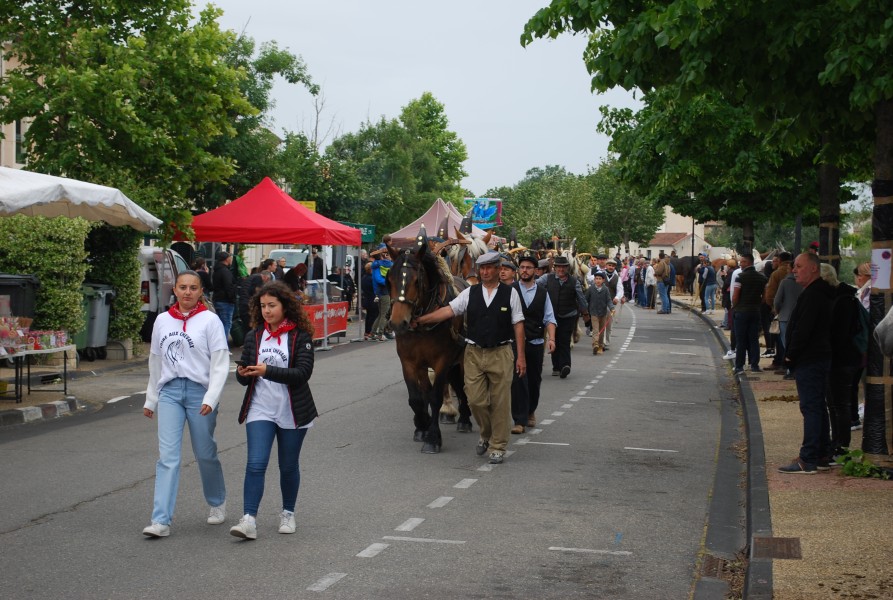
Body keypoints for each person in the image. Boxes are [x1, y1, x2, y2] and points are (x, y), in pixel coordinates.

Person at [413, 251, 526, 464]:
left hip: (501, 353)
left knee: (500, 402)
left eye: (488, 268)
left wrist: (521, 357)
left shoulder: (510, 294)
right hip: (474, 353)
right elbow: (448, 311)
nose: (484, 272)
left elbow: (518, 324)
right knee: (475, 400)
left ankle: (497, 446)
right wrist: (421, 320)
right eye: (481, 268)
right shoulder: (470, 293)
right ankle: (486, 433)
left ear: (498, 269)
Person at [142, 270, 229, 538]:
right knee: (168, 457)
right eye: (182, 287)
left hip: (199, 393)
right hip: (169, 391)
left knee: (205, 453)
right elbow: (155, 361)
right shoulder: (162, 321)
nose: (187, 292)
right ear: (175, 290)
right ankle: (161, 521)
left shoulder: (210, 321)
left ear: (201, 291)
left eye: (193, 288)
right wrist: (151, 398)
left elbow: (220, 362)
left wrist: (211, 398)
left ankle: (217, 502)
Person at [230, 281, 318, 540]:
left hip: (292, 410)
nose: (267, 311)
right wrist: (242, 372)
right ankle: (248, 519)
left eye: (272, 305)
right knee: (255, 464)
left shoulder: (300, 335)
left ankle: (288, 512)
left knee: (288, 466)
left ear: (285, 306)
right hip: (260, 408)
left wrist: (267, 370)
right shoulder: (254, 335)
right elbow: (245, 376)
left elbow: (302, 373)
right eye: (263, 306)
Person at [779, 252, 834, 474]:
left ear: (813, 268)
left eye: (799, 266)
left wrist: (791, 354)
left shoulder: (814, 295)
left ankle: (808, 457)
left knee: (811, 406)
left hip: (811, 358)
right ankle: (822, 452)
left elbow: (804, 328)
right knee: (818, 406)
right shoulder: (819, 292)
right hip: (817, 357)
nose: (794, 270)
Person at [821, 264, 865, 462]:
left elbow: (840, 334)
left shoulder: (841, 300)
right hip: (846, 357)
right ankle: (837, 442)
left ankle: (842, 446)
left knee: (840, 404)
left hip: (843, 359)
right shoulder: (845, 297)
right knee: (836, 403)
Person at [513, 251, 556, 431]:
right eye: (522, 267)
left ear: (536, 271)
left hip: (536, 342)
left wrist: (551, 338)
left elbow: (550, 318)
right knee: (518, 381)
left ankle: (531, 410)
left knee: (534, 380)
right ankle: (519, 420)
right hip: (515, 343)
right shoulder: (511, 290)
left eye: (528, 268)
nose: (524, 270)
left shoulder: (543, 293)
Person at [537, 255, 587, 378]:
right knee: (554, 340)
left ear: (567, 268)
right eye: (558, 267)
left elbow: (581, 298)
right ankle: (556, 367)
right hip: (551, 316)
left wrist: (585, 313)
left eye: (563, 267)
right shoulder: (546, 278)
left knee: (564, 340)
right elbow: (534, 287)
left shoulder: (574, 281)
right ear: (554, 268)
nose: (561, 270)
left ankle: (565, 365)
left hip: (568, 315)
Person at [731, 253, 767, 373]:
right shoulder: (762, 278)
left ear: (748, 263)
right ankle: (754, 364)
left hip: (741, 311)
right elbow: (765, 297)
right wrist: (757, 304)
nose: (740, 264)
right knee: (753, 339)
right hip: (755, 311)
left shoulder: (740, 277)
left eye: (743, 262)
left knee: (741, 340)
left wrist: (734, 306)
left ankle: (739, 366)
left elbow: (735, 296)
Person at [773, 265, 802, 379]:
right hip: (799, 316)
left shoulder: (784, 282)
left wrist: (779, 311)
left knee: (786, 344)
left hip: (785, 316)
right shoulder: (804, 282)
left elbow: (777, 301)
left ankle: (790, 369)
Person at [211, 251, 237, 342]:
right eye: (230, 257)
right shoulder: (225, 271)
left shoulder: (217, 270)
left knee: (220, 324)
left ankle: (218, 344)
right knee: (226, 324)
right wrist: (232, 299)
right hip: (226, 301)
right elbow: (228, 286)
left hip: (218, 299)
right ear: (227, 259)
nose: (231, 259)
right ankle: (224, 346)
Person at [370, 243, 393, 341]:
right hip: (384, 292)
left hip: (380, 293)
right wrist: (390, 282)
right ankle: (380, 334)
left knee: (380, 314)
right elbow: (379, 279)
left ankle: (373, 333)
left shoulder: (377, 265)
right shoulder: (379, 265)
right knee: (384, 314)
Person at [600, 259, 625, 350]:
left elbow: (620, 290)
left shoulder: (617, 277)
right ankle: (601, 341)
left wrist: (617, 298)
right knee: (601, 322)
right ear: (606, 265)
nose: (611, 267)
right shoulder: (600, 275)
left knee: (609, 323)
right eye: (609, 265)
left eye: (613, 266)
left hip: (611, 303)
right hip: (600, 302)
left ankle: (606, 341)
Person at [585, 271, 611, 354]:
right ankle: (595, 345)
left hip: (603, 313)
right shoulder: (591, 289)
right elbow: (586, 299)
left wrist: (612, 308)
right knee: (596, 330)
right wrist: (585, 309)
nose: (598, 280)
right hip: (594, 313)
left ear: (603, 280)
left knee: (602, 330)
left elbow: (609, 300)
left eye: (600, 279)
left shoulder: (605, 289)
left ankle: (600, 345)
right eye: (596, 279)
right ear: (594, 280)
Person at [360, 262, 379, 340]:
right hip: (372, 299)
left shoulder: (364, 277)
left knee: (368, 316)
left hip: (366, 299)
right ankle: (371, 332)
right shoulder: (372, 278)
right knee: (374, 316)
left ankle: (367, 332)